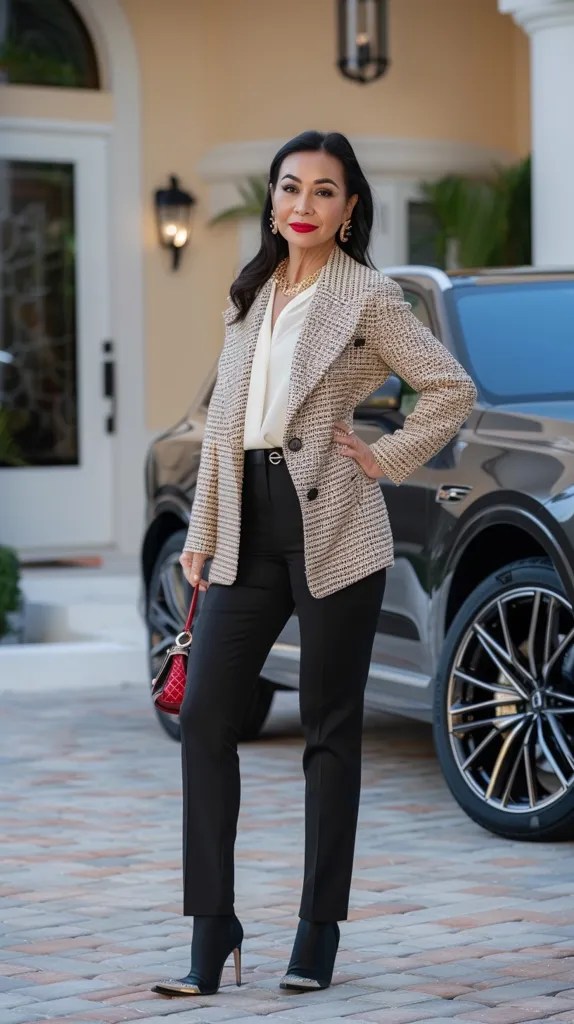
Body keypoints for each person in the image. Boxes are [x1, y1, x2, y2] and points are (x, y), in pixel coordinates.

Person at [153, 130, 477, 998]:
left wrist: (385, 454)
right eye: (290, 187)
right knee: (208, 723)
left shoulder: (366, 294)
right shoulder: (248, 293)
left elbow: (449, 388)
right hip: (245, 527)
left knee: (331, 732)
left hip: (332, 523)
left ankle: (316, 931)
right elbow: (228, 423)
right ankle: (212, 923)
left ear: (350, 206)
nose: (303, 204)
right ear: (272, 198)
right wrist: (204, 533)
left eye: (324, 191)